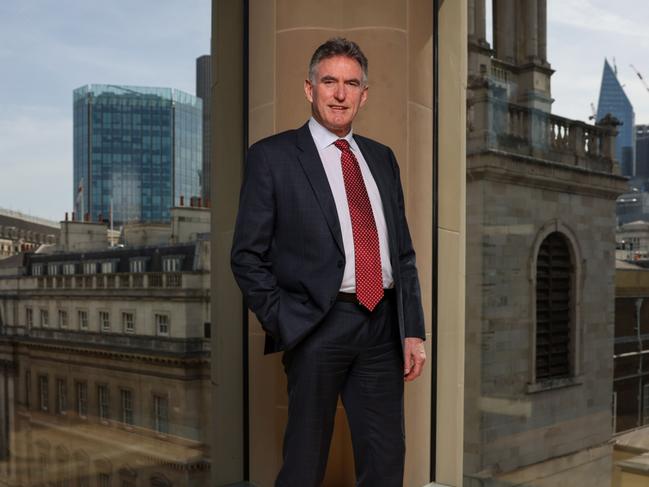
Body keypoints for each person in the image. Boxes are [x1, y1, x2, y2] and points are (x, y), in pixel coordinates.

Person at [231, 37, 426, 487]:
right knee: (304, 460)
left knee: (385, 459)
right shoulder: (272, 157)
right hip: (316, 324)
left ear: (364, 95)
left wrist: (412, 329)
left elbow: (404, 252)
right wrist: (286, 320)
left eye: (351, 83)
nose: (340, 93)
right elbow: (246, 256)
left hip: (382, 324)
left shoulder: (381, 158)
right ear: (309, 88)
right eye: (330, 82)